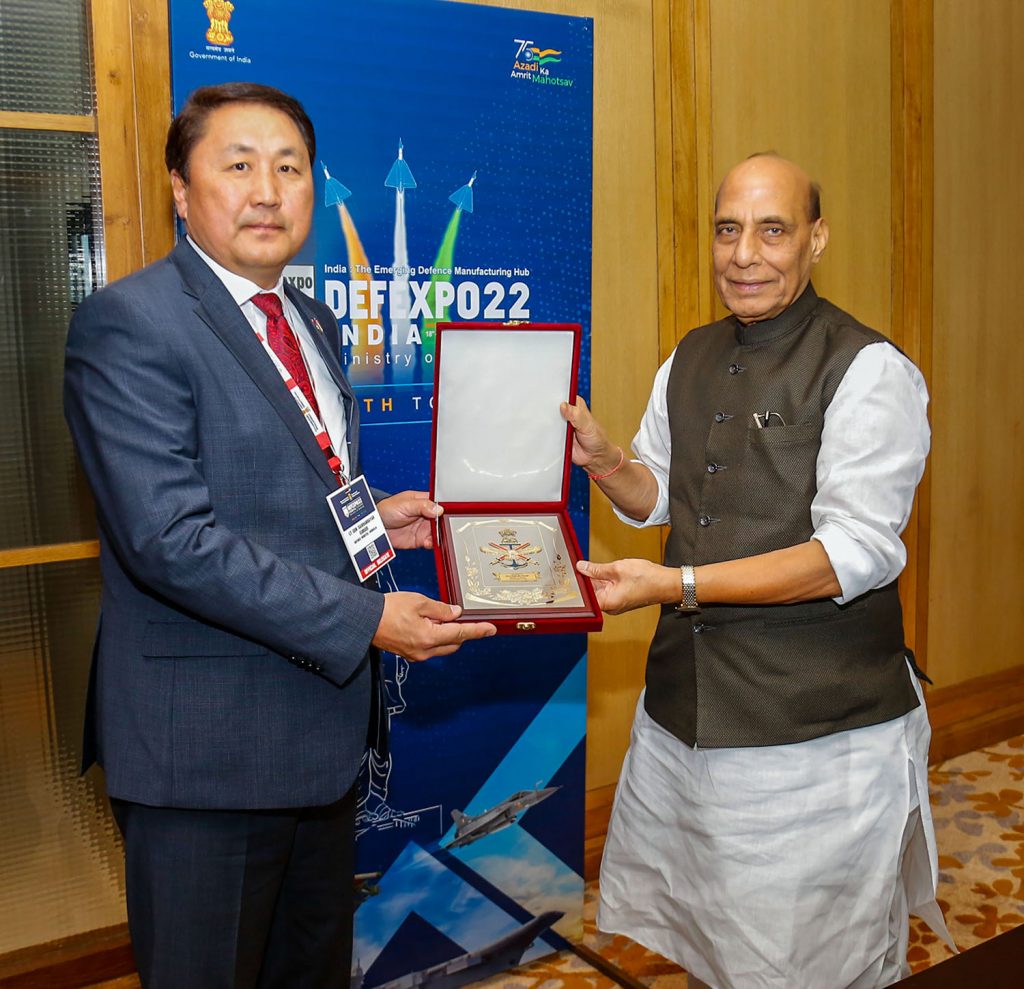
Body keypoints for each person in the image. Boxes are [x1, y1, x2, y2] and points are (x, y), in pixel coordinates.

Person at [63, 82, 495, 989]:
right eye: (239, 165)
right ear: (182, 189)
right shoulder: (131, 322)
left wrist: (377, 514)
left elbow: (292, 483)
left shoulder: (312, 318)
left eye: (290, 168)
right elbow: (170, 539)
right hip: (205, 756)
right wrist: (369, 619)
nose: (268, 190)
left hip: (320, 742)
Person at [561, 154, 953, 988]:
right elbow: (661, 496)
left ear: (817, 239)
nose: (745, 254)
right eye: (727, 229)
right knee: (712, 947)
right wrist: (605, 462)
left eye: (773, 230)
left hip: (812, 739)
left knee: (815, 960)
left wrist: (676, 586)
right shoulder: (691, 354)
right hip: (687, 720)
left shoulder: (869, 368)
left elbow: (852, 554)